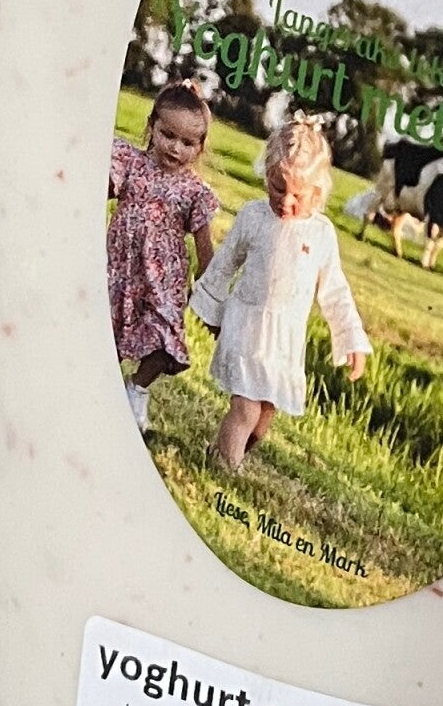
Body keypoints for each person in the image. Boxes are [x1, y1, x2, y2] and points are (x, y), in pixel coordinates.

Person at [190, 117, 371, 473]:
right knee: (245, 410)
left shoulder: (320, 234)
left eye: (297, 196)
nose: (285, 201)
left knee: (262, 421)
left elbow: (335, 291)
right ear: (267, 176)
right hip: (247, 325)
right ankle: (225, 471)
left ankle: (221, 453)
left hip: (284, 340)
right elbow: (225, 263)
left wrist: (352, 340)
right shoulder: (254, 217)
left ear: (317, 193)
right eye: (277, 188)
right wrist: (211, 308)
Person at [107, 83, 219, 433]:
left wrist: (210, 292)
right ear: (151, 126)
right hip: (120, 272)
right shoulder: (131, 164)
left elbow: (204, 246)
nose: (175, 148)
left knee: (164, 338)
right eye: (168, 135)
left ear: (199, 147)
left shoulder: (195, 192)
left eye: (187, 143)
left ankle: (137, 388)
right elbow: (98, 189)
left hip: (163, 283)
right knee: (106, 337)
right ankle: (99, 388)